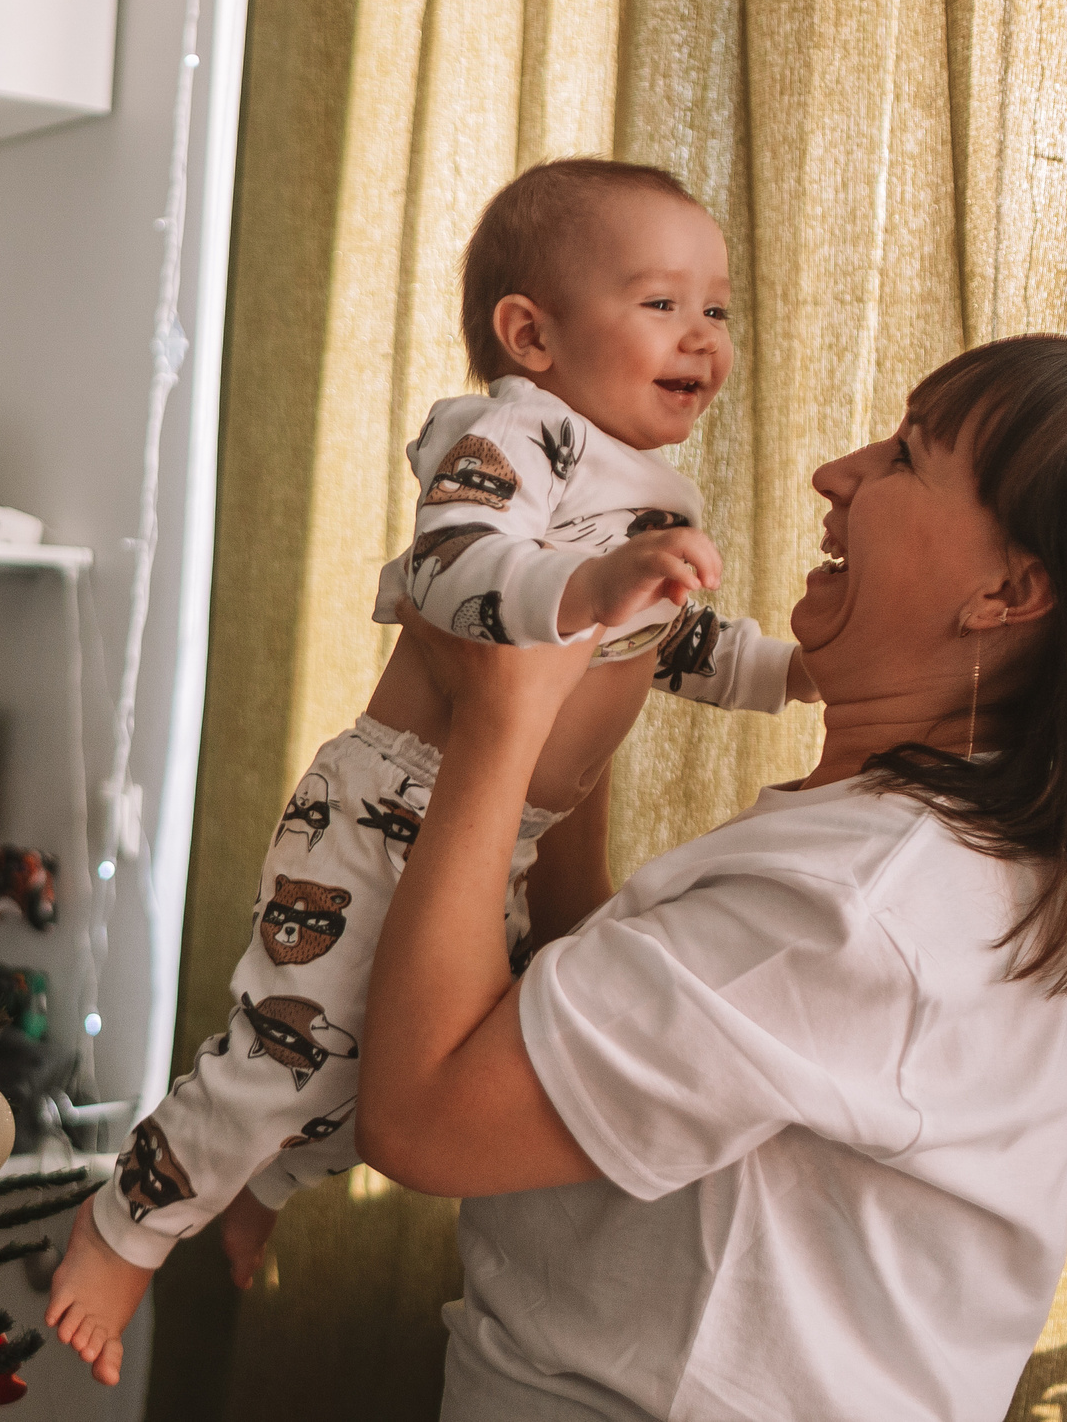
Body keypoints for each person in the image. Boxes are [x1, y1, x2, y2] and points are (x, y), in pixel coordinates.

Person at [360, 333, 1067, 1421]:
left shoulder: (857, 905)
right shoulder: (900, 849)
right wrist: (578, 691)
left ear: (1008, 590)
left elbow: (423, 1121)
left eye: (903, 460)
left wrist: (498, 722)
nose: (834, 472)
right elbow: (589, 1025)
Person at [47, 159, 819, 1384]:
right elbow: (454, 568)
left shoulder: (647, 486)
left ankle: (264, 1184)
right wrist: (583, 588)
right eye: (664, 304)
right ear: (532, 334)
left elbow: (676, 644)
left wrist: (789, 673)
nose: (704, 339)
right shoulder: (514, 434)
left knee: (404, 1057)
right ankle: (123, 1226)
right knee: (288, 1046)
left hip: (491, 831)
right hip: (386, 805)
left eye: (716, 311)